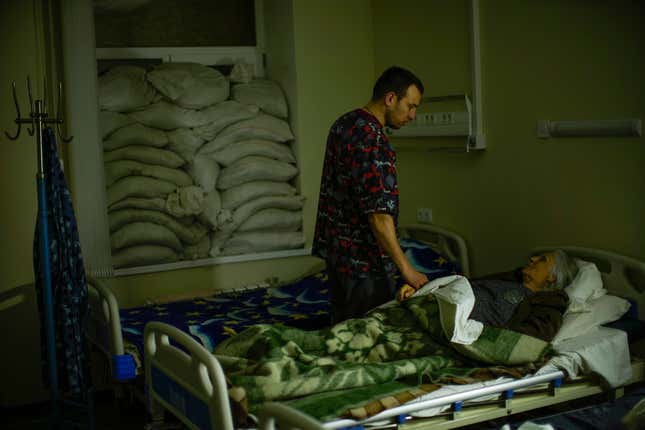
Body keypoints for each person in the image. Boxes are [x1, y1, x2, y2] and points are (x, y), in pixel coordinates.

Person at [313, 66, 429, 324]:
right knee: (367, 341)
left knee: (343, 333)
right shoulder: (373, 140)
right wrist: (407, 270)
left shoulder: (344, 124)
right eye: (410, 106)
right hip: (364, 266)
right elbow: (379, 217)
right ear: (390, 99)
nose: (413, 115)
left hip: (338, 259)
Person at [398, 249, 579, 341]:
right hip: (425, 308)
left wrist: (484, 337)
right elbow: (460, 285)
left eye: (542, 260)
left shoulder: (546, 306)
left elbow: (532, 336)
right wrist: (422, 290)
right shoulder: (507, 280)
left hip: (444, 330)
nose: (532, 259)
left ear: (551, 277)